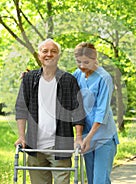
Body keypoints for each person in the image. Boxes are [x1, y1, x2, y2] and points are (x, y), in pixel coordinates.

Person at [14, 38, 85, 184]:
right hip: (34, 146)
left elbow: (78, 111)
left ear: (58, 56)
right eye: (44, 51)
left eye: (53, 51)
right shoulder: (29, 79)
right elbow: (21, 108)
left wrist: (78, 137)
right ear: (39, 55)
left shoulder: (68, 80)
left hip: (61, 145)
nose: (49, 54)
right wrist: (21, 136)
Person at [73, 42, 119, 184]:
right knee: (91, 180)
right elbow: (60, 82)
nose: (82, 66)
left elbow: (101, 111)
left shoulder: (104, 77)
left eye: (86, 62)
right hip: (86, 135)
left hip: (103, 136)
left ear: (95, 59)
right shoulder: (77, 74)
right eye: (79, 62)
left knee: (100, 180)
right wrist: (32, 75)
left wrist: (89, 137)